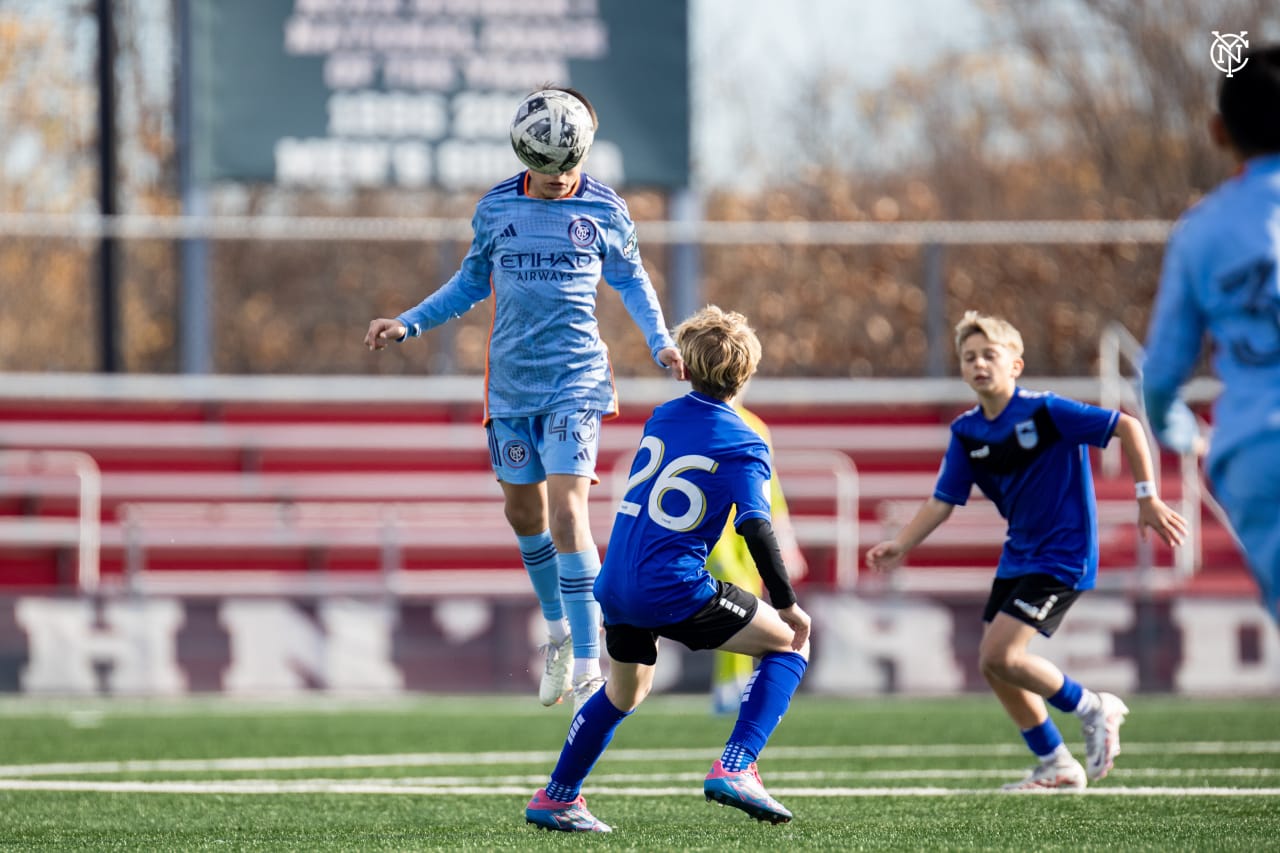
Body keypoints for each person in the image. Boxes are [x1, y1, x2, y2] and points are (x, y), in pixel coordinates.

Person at [366, 87, 684, 712]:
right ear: (524, 157)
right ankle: (560, 632)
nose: (556, 179)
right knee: (524, 517)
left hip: (576, 382)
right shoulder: (494, 210)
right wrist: (409, 323)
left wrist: (660, 341)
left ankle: (591, 663)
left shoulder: (606, 210)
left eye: (565, 168)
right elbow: (469, 284)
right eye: (544, 170)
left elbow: (631, 281)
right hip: (511, 385)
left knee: (568, 515)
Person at [866, 311, 1187, 792]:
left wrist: (1147, 494)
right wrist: (902, 544)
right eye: (969, 357)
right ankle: (1055, 762)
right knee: (993, 664)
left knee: (1002, 653)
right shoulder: (967, 432)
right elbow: (942, 501)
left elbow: (1128, 427)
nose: (978, 364)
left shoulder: (1046, 412)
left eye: (989, 355)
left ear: (1015, 365)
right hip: (1021, 555)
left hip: (1064, 554)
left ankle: (1093, 707)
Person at [524, 306, 811, 832]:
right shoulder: (747, 439)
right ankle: (739, 763)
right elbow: (755, 524)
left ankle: (556, 796)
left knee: (626, 691)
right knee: (791, 643)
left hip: (614, 583)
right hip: (672, 585)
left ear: (686, 367)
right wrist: (788, 601)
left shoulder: (662, 416)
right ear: (747, 373)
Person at [1142, 42, 1280, 625]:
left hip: (1258, 453)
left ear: (1218, 132)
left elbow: (1162, 373)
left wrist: (1180, 433)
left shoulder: (1202, 231)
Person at [706, 401, 808, 715]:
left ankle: (737, 681)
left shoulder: (756, 426)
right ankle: (727, 685)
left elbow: (771, 491)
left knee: (748, 599)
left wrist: (787, 543)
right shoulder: (706, 421)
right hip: (714, 526)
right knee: (733, 591)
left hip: (747, 526)